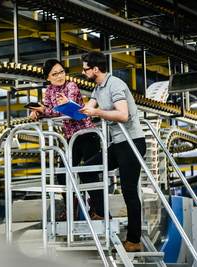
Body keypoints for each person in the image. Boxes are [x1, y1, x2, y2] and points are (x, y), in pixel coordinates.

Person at [79, 51, 146, 252]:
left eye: (85, 69)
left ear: (95, 69)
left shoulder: (115, 84)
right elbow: (86, 110)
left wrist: (98, 112)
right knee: (87, 169)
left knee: (129, 190)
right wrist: (66, 106)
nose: (83, 73)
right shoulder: (98, 88)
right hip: (117, 144)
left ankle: (134, 240)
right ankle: (99, 211)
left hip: (131, 142)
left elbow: (123, 115)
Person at [30, 59, 100, 220]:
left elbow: (62, 110)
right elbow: (48, 108)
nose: (60, 76)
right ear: (48, 77)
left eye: (61, 72)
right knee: (62, 174)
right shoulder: (48, 91)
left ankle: (99, 210)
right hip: (71, 137)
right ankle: (72, 205)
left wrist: (44, 110)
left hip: (87, 134)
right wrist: (37, 112)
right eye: (55, 74)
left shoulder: (71, 86)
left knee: (90, 173)